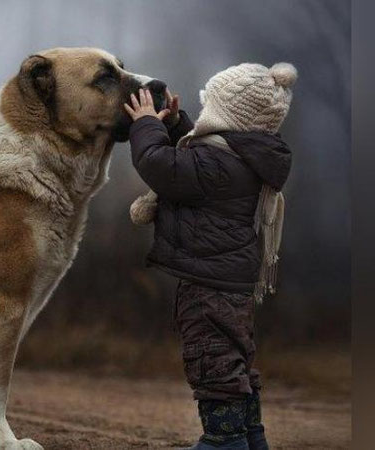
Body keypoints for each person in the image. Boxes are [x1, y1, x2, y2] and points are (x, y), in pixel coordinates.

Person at [123, 62, 297, 449]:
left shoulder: (215, 165)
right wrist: (173, 125)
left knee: (212, 363)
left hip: (207, 288)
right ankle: (250, 439)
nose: (203, 115)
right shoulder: (243, 156)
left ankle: (223, 442)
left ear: (226, 114)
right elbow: (197, 162)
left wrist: (146, 124)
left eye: (208, 106)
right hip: (231, 281)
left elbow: (159, 164)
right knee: (234, 362)